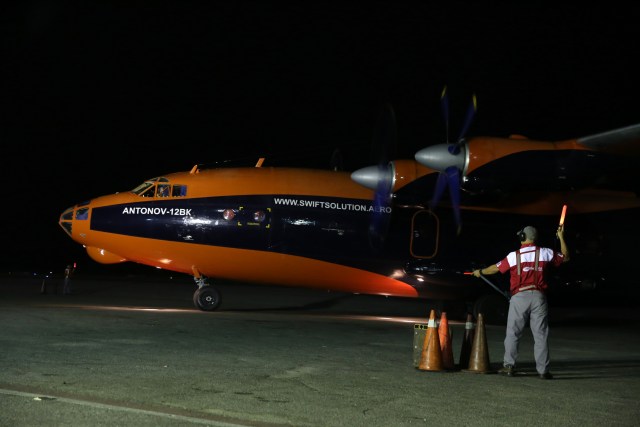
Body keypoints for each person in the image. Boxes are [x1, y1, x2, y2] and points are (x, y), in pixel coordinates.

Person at [472, 224, 569, 379]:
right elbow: (565, 257)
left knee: (513, 333)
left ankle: (509, 366)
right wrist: (562, 237)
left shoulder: (514, 256)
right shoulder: (545, 252)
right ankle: (543, 371)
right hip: (539, 297)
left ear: (522, 237)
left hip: (519, 298)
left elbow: (495, 269)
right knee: (541, 335)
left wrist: (480, 272)